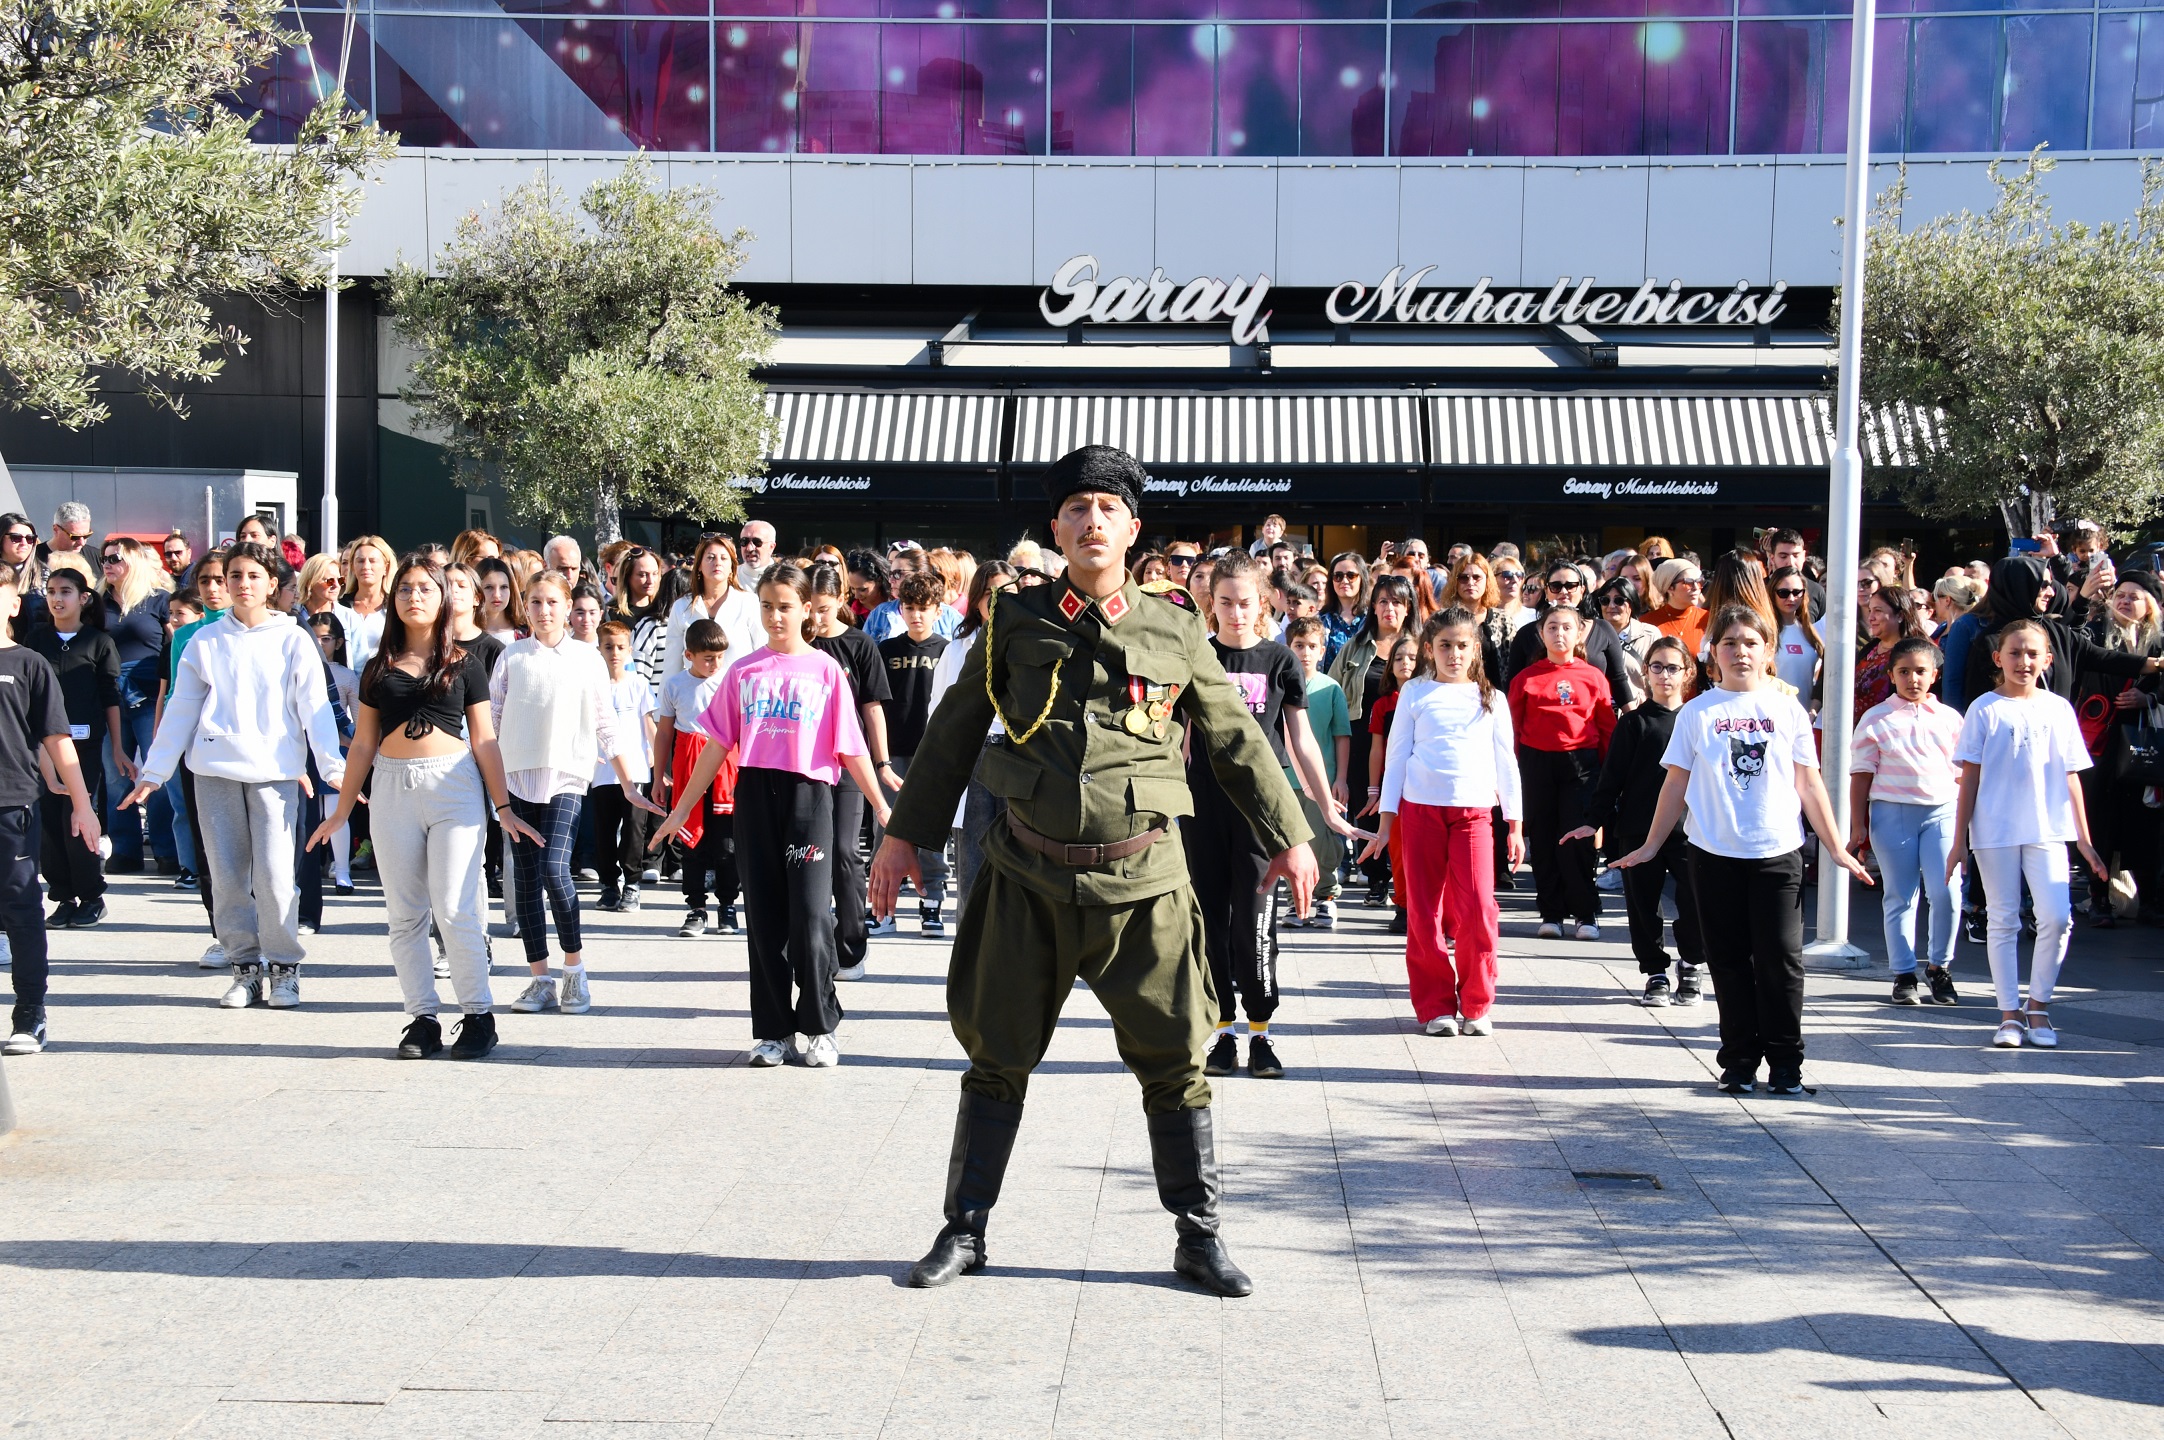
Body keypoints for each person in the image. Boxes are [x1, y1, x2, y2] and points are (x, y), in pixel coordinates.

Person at [869, 445, 1314, 1300]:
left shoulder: (1177, 625)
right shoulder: (1013, 618)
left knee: (1177, 1062)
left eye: (1108, 509)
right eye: (1076, 508)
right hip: (1026, 879)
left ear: (1133, 528)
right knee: (995, 1057)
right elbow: (956, 732)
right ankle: (965, 1230)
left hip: (1143, 885)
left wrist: (1289, 835)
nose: (1092, 521)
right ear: (1056, 527)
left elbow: (1233, 738)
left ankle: (1199, 1236)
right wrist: (901, 836)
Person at [1615, 605, 1871, 1095]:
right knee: (1728, 962)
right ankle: (1737, 1063)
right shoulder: (1697, 711)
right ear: (1714, 653)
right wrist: (1650, 845)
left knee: (1780, 962)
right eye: (1729, 643)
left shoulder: (1787, 709)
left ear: (1768, 651)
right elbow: (1676, 784)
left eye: (1750, 642)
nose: (1740, 651)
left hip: (1777, 855)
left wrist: (1837, 847)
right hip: (1712, 854)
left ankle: (1786, 1066)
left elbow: (1809, 784)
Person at [653, 562, 889, 1068]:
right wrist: (681, 809)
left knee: (808, 914)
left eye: (785, 606)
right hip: (755, 795)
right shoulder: (743, 670)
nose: (775, 616)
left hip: (809, 798)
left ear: (808, 609)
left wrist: (882, 805)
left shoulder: (826, 670)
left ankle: (821, 1025)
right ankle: (775, 1031)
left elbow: (851, 748)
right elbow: (717, 746)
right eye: (766, 606)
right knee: (764, 919)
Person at [309, 555, 536, 1060]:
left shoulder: (467, 663)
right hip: (391, 789)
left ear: (444, 598)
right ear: (394, 598)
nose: (415, 597)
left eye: (426, 589)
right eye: (406, 588)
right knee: (405, 915)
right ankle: (423, 1018)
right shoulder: (377, 667)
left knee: (455, 908)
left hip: (454, 787)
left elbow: (485, 740)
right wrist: (342, 810)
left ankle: (478, 1014)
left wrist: (504, 806)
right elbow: (363, 745)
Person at [127, 542, 347, 1010]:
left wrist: (333, 767)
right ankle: (244, 969)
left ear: (272, 584)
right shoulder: (205, 640)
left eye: (252, 575)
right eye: (234, 576)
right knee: (227, 877)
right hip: (214, 773)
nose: (242, 584)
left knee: (273, 875)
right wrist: (154, 771)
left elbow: (315, 708)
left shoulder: (293, 638)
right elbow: (183, 706)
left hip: (275, 775)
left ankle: (285, 968)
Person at [1189, 551, 1345, 1081]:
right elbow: (1181, 742)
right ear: (1212, 603)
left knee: (1254, 925)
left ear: (1262, 604)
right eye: (1225, 602)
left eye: (1246, 602)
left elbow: (1301, 740)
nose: (1235, 612)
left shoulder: (1280, 662)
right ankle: (1221, 1034)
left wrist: (1325, 807)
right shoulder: (1199, 656)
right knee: (1209, 923)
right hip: (1203, 807)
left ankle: (1261, 1034)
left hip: (1262, 809)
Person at [492, 572, 661, 1016]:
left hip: (567, 776)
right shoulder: (510, 657)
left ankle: (574, 971)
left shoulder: (588, 659)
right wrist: (489, 786)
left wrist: (628, 782)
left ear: (568, 606)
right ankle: (539, 979)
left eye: (552, 602)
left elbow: (607, 723)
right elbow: (490, 722)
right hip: (516, 779)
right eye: (534, 602)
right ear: (524, 607)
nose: (543, 611)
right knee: (526, 881)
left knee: (554, 869)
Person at [1366, 607, 1524, 1037]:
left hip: (1474, 813)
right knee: (1422, 910)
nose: (1454, 654)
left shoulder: (1492, 697)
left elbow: (1506, 762)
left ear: (1475, 649)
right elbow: (1396, 757)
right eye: (1444, 646)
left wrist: (1515, 824)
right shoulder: (1414, 694)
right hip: (1420, 811)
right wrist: (1386, 820)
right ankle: (1435, 1005)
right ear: (1429, 650)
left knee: (1478, 909)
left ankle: (1476, 1003)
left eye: (1462, 645)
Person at [1949, 620, 2105, 1050]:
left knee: (2056, 916)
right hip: (1994, 828)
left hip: (2049, 828)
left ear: (2048, 660)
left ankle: (2039, 1005)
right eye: (2015, 653)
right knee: (2003, 918)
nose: (2024, 661)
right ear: (1998, 658)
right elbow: (1970, 778)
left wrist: (2085, 839)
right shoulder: (1984, 708)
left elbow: (2072, 776)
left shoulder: (2058, 708)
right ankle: (2008, 1014)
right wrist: (1959, 840)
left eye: (2033, 653)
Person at [1564, 635, 1703, 1004]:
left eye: (1673, 667)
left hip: (1692, 832)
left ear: (1687, 673)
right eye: (1656, 667)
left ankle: (1691, 964)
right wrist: (1593, 821)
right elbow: (1612, 779)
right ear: (1646, 673)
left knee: (1697, 904)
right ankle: (1655, 972)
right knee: (1643, 907)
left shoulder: (1699, 719)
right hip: (1638, 831)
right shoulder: (1633, 724)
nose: (1664, 675)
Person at [0, 573, 101, 1055]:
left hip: (12, 804)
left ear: (13, 602)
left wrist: (82, 806)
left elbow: (56, 740)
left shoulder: (29, 664)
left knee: (21, 909)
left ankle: (30, 1013)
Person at [1851, 635, 1965, 1007]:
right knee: (1900, 895)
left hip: (1942, 810)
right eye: (1904, 671)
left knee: (1946, 891)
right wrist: (1858, 825)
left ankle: (1939, 967)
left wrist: (1966, 822)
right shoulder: (1876, 718)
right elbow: (1862, 774)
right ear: (1891, 674)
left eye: (1920, 671)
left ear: (1934, 674)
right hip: (1892, 811)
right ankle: (1903, 973)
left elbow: (1964, 775)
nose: (1913, 679)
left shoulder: (1950, 718)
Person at [25, 565, 124, 928]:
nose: (56, 598)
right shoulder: (36, 641)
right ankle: (62, 895)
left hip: (85, 745)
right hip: (41, 747)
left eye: (65, 591)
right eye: (51, 591)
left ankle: (91, 895)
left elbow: (110, 697)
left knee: (78, 817)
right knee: (50, 820)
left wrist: (117, 748)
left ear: (83, 598)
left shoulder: (99, 642)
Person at [1508, 603, 1615, 940]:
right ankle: (1551, 913)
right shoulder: (1526, 678)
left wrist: (1609, 776)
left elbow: (1606, 728)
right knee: (1543, 840)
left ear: (1579, 632)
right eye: (1552, 627)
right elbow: (1511, 728)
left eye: (1566, 627)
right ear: (1541, 632)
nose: (1559, 633)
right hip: (1537, 764)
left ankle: (1586, 914)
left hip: (1580, 765)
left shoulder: (1593, 676)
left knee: (1578, 839)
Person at [925, 561, 1019, 915]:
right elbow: (939, 715)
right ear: (976, 599)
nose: (998, 602)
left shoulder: (1031, 646)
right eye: (990, 594)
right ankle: (969, 963)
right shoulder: (958, 649)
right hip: (974, 759)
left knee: (1018, 868)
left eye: (1007, 593)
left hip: (1018, 758)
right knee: (974, 869)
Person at [2076, 571, 2164, 926]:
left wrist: (2150, 697)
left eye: (2135, 596)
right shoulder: (2096, 632)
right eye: (2121, 595)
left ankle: (2148, 900)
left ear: (2151, 606)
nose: (2125, 601)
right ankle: (2098, 898)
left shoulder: (2158, 642)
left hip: (2144, 741)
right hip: (2099, 739)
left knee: (2144, 820)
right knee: (2099, 817)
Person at [877, 571, 952, 938]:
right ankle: (883, 910)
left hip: (934, 757)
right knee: (887, 832)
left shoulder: (948, 650)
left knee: (931, 836)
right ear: (900, 609)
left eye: (924, 608)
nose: (916, 615)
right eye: (909, 607)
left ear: (939, 610)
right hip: (893, 756)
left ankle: (931, 905)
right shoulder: (886, 650)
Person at [656, 619, 738, 936]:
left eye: (719, 656)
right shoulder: (675, 685)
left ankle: (728, 905)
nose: (714, 664)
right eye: (707, 657)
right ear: (689, 655)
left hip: (725, 770)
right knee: (692, 842)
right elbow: (664, 733)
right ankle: (695, 908)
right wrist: (659, 776)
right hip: (687, 767)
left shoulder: (731, 682)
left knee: (726, 843)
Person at [97, 537, 174, 874]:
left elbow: (175, 644)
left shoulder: (159, 600)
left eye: (116, 558)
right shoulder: (96, 604)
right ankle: (125, 850)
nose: (109, 565)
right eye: (105, 559)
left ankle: (166, 849)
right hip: (109, 696)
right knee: (116, 777)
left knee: (156, 774)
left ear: (134, 560)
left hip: (149, 695)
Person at [1285, 617, 1350, 931]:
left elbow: (1341, 736)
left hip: (1320, 782)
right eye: (1299, 645)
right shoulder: (1279, 685)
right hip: (1284, 780)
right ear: (1288, 648)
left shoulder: (1331, 688)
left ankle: (1325, 898)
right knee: (1287, 841)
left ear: (1323, 650)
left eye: (1312, 646)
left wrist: (1340, 778)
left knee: (1322, 841)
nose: (1305, 652)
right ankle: (1294, 900)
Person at [590, 619, 656, 914]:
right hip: (602, 772)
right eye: (608, 647)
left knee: (633, 830)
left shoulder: (639, 684)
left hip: (636, 772)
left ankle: (632, 884)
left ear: (629, 650)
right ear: (599, 649)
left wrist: (658, 761)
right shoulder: (592, 686)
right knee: (604, 830)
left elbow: (649, 725)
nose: (614, 652)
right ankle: (608, 885)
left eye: (620, 647)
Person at [1505, 561, 1635, 704]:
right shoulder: (1526, 634)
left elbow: (1618, 681)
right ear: (1546, 592)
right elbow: (1513, 686)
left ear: (1582, 590)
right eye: (1556, 586)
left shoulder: (1603, 629)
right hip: (1540, 718)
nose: (1563, 592)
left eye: (1571, 586)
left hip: (1590, 719)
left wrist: (1634, 720)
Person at [1360, 635, 1423, 926]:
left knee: (1425, 849)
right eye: (1398, 658)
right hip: (1393, 786)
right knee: (1396, 847)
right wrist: (1375, 790)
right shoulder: (1383, 704)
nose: (1405, 662)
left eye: (1411, 657)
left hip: (1425, 785)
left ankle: (1429, 908)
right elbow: (1375, 749)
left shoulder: (1428, 697)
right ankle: (1403, 905)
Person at [663, 535, 762, 678]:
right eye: (710, 558)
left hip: (737, 694)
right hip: (694, 696)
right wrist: (666, 699)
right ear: (699, 566)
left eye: (723, 558)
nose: (717, 563)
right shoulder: (682, 606)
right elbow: (671, 664)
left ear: (732, 566)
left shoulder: (748, 602)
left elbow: (761, 654)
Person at [1854, 585, 1928, 722]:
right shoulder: (1869, 649)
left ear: (1900, 615)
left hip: (1896, 731)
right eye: (1870, 610)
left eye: (1878, 611)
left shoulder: (1919, 653)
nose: (1871, 617)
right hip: (1861, 731)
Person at [1769, 565, 1823, 708]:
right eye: (1783, 593)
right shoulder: (1764, 631)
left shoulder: (1810, 630)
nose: (1791, 598)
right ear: (1772, 593)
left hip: (1805, 718)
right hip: (1771, 717)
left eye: (1797, 592)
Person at [341, 535, 396, 672]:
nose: (366, 566)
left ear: (386, 567)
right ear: (353, 567)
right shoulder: (340, 606)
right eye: (360, 561)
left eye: (372, 561)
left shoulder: (395, 607)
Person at [1647, 559, 1708, 658]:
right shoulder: (1647, 623)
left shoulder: (1708, 619)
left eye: (1699, 582)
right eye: (1688, 582)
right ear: (1670, 588)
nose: (1696, 587)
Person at [735, 521, 776, 590]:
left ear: (771, 547)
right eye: (744, 541)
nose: (749, 548)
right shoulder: (729, 578)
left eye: (757, 542)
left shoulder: (786, 579)